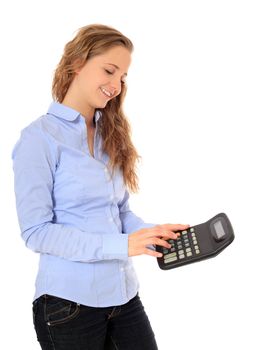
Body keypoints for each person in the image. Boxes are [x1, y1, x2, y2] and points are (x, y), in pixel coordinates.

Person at [11, 23, 190, 350]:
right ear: (78, 63)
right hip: (68, 306)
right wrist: (123, 245)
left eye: (122, 77)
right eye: (109, 70)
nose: (116, 85)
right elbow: (36, 231)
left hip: (124, 297)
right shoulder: (39, 139)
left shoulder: (111, 134)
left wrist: (152, 234)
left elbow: (118, 212)